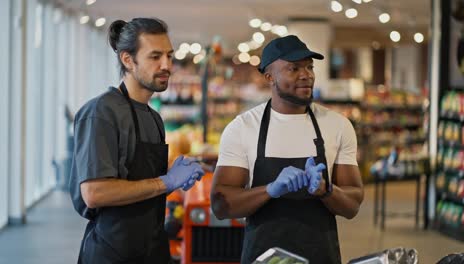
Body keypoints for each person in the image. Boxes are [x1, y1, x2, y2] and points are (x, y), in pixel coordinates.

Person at [210, 35, 364, 263]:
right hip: (262, 258)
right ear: (269, 76)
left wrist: (326, 190)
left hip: (321, 256)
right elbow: (220, 205)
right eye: (294, 68)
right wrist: (270, 189)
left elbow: (352, 205)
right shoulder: (243, 128)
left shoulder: (337, 126)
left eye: (309, 67)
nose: (307, 75)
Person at [69, 17, 204, 264]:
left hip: (152, 248)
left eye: (169, 56)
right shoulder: (101, 112)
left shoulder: (154, 118)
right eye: (155, 57)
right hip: (112, 252)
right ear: (128, 60)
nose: (167, 65)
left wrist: (173, 181)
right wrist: (165, 182)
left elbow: (145, 186)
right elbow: (94, 192)